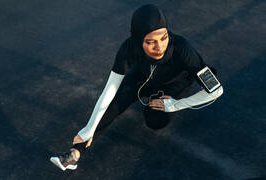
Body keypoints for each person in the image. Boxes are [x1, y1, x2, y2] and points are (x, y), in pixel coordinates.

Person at [50, 4, 224, 171]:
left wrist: (175, 104)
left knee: (155, 119)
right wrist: (90, 127)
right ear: (138, 40)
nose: (159, 46)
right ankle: (75, 154)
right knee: (114, 104)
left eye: (163, 38)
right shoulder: (128, 48)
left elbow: (216, 90)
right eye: (151, 42)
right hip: (142, 77)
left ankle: (169, 96)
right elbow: (109, 91)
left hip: (174, 83)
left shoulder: (182, 48)